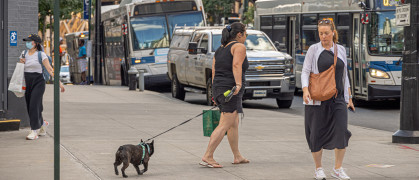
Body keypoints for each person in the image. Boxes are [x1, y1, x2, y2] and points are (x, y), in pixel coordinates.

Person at [301, 18, 355, 180]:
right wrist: (305, 90)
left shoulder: (341, 50)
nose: (323, 36)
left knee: (341, 131)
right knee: (316, 133)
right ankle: (318, 169)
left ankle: (337, 169)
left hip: (337, 98)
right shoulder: (313, 49)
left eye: (326, 33)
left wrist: (349, 97)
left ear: (333, 32)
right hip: (317, 98)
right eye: (320, 34)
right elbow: (305, 71)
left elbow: (344, 75)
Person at [200, 22, 249, 168]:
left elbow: (214, 71)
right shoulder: (239, 47)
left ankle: (237, 156)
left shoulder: (220, 49)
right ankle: (208, 155)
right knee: (224, 124)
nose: (246, 37)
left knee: (233, 123)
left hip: (220, 88)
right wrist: (238, 85)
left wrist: (215, 94)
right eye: (245, 34)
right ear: (239, 34)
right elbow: (236, 65)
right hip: (231, 89)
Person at [19, 34, 65, 140]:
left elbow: (50, 69)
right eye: (27, 41)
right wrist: (21, 62)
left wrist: (60, 83)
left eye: (30, 41)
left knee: (34, 105)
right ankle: (43, 124)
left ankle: (34, 131)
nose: (27, 43)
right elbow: (20, 67)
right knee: (34, 106)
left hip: (38, 82)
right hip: (27, 81)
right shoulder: (24, 53)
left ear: (35, 43)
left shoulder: (41, 55)